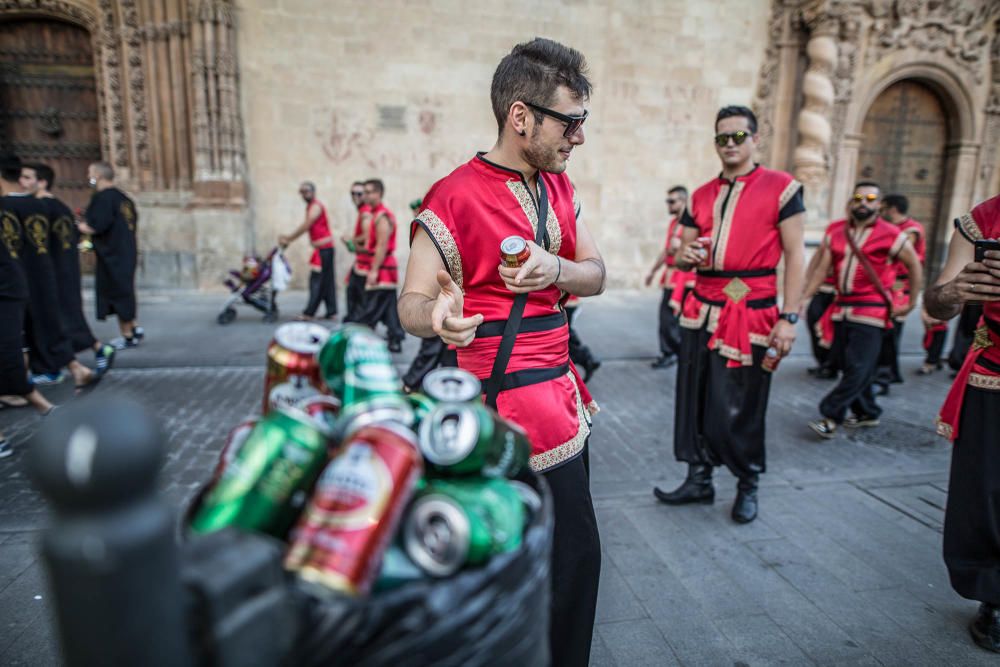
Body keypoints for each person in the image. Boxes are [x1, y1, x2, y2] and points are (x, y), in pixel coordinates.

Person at [398, 38, 603, 666]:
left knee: (574, 564)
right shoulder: (453, 195)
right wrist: (436, 316)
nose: (578, 138)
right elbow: (409, 304)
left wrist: (555, 267)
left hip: (563, 406)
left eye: (581, 123)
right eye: (570, 123)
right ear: (522, 117)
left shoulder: (560, 189)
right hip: (493, 416)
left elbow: (594, 273)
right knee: (512, 562)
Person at [653, 105, 806, 524]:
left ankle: (747, 481)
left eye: (739, 136)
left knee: (740, 403)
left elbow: (795, 256)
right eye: (722, 137)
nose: (730, 144)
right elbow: (681, 256)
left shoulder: (783, 187)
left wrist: (789, 318)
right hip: (699, 310)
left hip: (751, 310)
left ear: (755, 139)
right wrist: (684, 255)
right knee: (694, 398)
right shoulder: (700, 195)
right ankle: (698, 478)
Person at [924, 193, 1000, 653]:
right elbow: (936, 302)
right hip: (994, 371)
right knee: (985, 492)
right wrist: (954, 293)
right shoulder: (983, 219)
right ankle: (994, 597)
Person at [803, 182, 922, 438]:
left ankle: (830, 414)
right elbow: (822, 270)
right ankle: (868, 412)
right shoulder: (836, 232)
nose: (863, 203)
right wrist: (803, 298)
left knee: (858, 366)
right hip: (841, 309)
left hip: (872, 312)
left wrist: (911, 302)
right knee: (851, 365)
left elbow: (914, 265)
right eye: (858, 198)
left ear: (879, 204)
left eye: (870, 199)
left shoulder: (891, 234)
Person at [3, 155, 101, 390]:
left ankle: (22, 386)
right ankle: (75, 369)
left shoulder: (8, 207)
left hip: (18, 274)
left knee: (21, 331)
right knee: (45, 323)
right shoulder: (39, 205)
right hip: (43, 271)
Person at [20, 163, 115, 372]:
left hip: (54, 273)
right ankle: (92, 351)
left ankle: (57, 367)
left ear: (42, 182)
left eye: (27, 178)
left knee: (58, 320)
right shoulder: (57, 207)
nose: (22, 183)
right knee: (66, 318)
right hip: (62, 271)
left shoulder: (42, 208)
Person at [0, 153, 58, 457]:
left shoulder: (10, 206)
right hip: (15, 284)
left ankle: (41, 405)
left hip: (8, 287)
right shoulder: (28, 205)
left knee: (8, 352)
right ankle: (41, 405)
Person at [79, 161, 142, 349]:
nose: (88, 177)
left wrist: (78, 227)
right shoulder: (124, 198)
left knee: (118, 292)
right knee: (125, 290)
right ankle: (133, 327)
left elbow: (97, 224)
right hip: (126, 250)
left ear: (97, 175)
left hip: (112, 254)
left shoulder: (104, 198)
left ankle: (127, 334)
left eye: (90, 173)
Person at [401, 197, 457, 393]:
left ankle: (412, 382)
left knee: (435, 347)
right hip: (437, 300)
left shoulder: (443, 227)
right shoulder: (426, 232)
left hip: (448, 299)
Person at [872, 193, 925, 394]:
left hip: (898, 289)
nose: (880, 212)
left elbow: (905, 258)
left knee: (890, 334)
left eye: (882, 208)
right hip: (885, 287)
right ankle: (881, 374)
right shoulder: (890, 228)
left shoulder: (911, 230)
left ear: (892, 209)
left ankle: (884, 377)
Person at [346, 178, 405, 352]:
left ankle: (360, 338)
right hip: (383, 269)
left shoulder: (382, 217)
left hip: (383, 270)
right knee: (388, 309)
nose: (366, 195)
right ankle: (395, 339)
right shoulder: (375, 214)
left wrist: (373, 271)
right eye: (365, 192)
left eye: (369, 192)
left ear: (379, 193)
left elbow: (381, 245)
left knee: (370, 309)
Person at [645, 185, 691, 369]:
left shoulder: (690, 224)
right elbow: (666, 251)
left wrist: (680, 246)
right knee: (667, 320)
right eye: (668, 201)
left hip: (683, 278)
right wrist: (653, 271)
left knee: (672, 320)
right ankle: (672, 352)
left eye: (672, 201)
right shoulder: (674, 223)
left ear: (683, 201)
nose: (669, 205)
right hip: (670, 276)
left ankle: (676, 353)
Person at [279, 181, 337, 320]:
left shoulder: (315, 206)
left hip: (323, 250)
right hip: (323, 249)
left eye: (306, 191)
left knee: (316, 281)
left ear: (313, 192)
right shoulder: (311, 206)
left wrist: (289, 238)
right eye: (302, 192)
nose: (304, 194)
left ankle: (309, 313)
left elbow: (307, 225)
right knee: (326, 281)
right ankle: (331, 311)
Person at [804, 240, 838, 379]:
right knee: (814, 320)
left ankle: (831, 366)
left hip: (839, 292)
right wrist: (807, 284)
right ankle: (822, 362)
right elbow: (818, 260)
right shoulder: (834, 232)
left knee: (831, 329)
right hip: (822, 288)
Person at [344, 181, 372, 321]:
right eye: (353, 193)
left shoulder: (365, 212)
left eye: (359, 194)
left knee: (357, 295)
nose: (355, 196)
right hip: (361, 261)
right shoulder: (364, 211)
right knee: (355, 293)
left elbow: (367, 237)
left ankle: (357, 322)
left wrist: (351, 240)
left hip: (365, 263)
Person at [918, 308, 949, 375]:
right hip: (930, 326)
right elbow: (924, 309)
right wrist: (926, 319)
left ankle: (929, 364)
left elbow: (949, 311)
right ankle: (937, 360)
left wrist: (937, 320)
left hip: (940, 326)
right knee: (928, 344)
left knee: (936, 346)